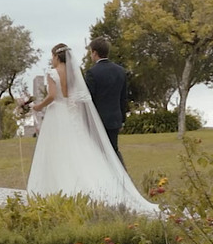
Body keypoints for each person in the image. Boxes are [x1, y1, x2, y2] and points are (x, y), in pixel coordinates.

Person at [26, 43, 156, 214]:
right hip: (81, 115)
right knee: (87, 150)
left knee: (58, 151)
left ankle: (60, 188)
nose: (52, 59)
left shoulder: (55, 73)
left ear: (57, 56)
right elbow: (81, 97)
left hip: (58, 114)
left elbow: (52, 96)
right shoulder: (75, 73)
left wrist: (37, 107)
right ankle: (112, 184)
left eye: (52, 56)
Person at [84, 36, 128, 165]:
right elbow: (123, 98)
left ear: (95, 52)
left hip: (98, 119)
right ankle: (120, 177)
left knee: (98, 153)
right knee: (113, 150)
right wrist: (122, 120)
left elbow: (89, 98)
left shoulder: (92, 73)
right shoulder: (120, 71)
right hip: (115, 118)